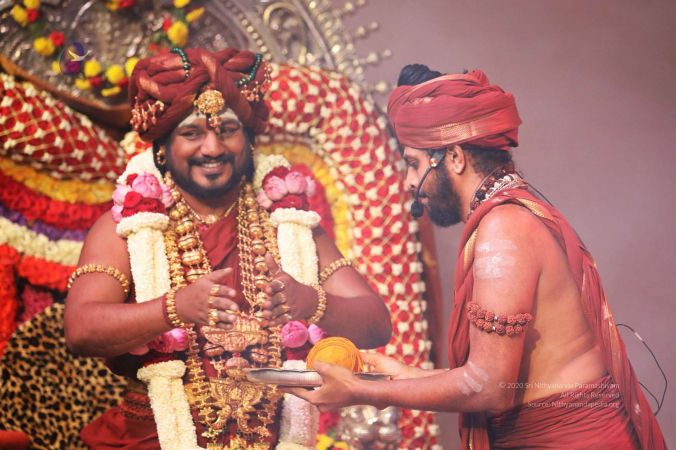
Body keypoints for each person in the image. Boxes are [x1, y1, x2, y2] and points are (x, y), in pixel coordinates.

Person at [285, 65, 667, 449]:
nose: (409, 182)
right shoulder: (510, 215)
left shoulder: (504, 227)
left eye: (413, 163)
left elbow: (489, 388)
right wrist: (401, 376)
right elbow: (493, 377)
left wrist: (362, 391)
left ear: (454, 157)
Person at [64, 47, 391, 450]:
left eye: (228, 130)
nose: (213, 148)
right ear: (162, 146)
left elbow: (377, 323)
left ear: (249, 140)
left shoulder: (287, 222)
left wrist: (309, 301)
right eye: (192, 133)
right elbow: (80, 329)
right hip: (156, 437)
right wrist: (173, 308)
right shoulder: (127, 226)